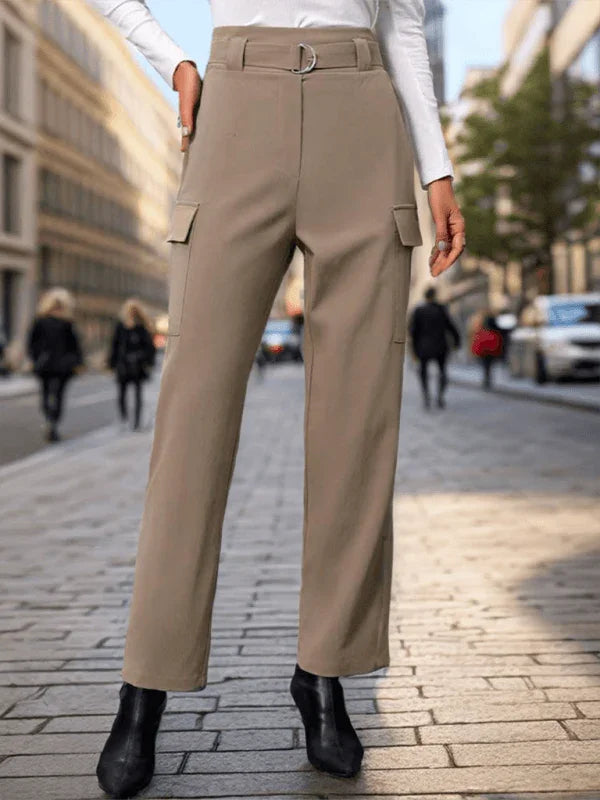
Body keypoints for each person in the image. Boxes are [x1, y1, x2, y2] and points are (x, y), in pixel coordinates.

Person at [90, 1, 466, 796]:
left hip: (363, 122)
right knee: (191, 419)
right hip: (236, 106)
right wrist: (171, 60)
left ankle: (325, 674)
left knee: (356, 426)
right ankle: (143, 686)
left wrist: (437, 167)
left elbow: (401, 22)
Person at [27, 288, 83, 442]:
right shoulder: (41, 322)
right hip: (46, 364)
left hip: (61, 366)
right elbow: (32, 343)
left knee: (56, 395)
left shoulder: (67, 324)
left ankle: (52, 422)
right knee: (48, 394)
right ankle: (51, 420)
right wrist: (35, 358)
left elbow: (74, 345)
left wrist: (77, 362)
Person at [108, 299, 156, 431]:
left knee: (138, 394)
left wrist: (147, 361)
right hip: (123, 365)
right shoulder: (120, 326)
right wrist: (112, 363)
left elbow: (149, 347)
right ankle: (124, 417)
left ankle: (137, 421)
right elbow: (115, 345)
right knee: (121, 393)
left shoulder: (142, 327)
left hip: (138, 365)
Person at [409, 286, 460, 409]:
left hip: (423, 346)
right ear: (434, 295)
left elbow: (413, 331)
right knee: (442, 372)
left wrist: (414, 349)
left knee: (423, 372)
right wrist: (457, 341)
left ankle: (426, 396)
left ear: (425, 296)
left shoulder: (419, 311)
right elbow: (451, 326)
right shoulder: (441, 309)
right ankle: (440, 397)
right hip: (440, 345)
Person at [471, 312, 504, 390]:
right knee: (489, 366)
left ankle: (486, 379)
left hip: (484, 352)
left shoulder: (483, 332)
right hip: (491, 352)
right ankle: (487, 379)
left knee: (486, 366)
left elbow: (478, 343)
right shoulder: (496, 333)